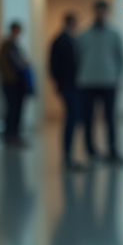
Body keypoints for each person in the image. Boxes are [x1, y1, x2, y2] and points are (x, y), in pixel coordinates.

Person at [76, 0, 123, 163]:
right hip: (88, 82)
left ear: (107, 12)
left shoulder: (114, 34)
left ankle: (112, 150)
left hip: (108, 81)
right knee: (88, 118)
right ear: (94, 11)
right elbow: (78, 58)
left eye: (103, 11)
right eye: (98, 11)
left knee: (110, 118)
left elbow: (121, 58)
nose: (100, 14)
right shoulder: (84, 34)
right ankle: (90, 150)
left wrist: (118, 77)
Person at [49, 12, 81, 169]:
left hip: (70, 86)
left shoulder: (71, 40)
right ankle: (67, 155)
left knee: (73, 119)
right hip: (68, 87)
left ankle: (69, 155)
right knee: (71, 119)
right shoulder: (62, 41)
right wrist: (60, 84)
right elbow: (54, 66)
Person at [0, 21, 30, 147]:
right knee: (11, 109)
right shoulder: (7, 45)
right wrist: (9, 76)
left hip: (17, 83)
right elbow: (2, 63)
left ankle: (15, 134)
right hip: (10, 82)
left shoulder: (15, 45)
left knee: (17, 109)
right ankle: (10, 135)